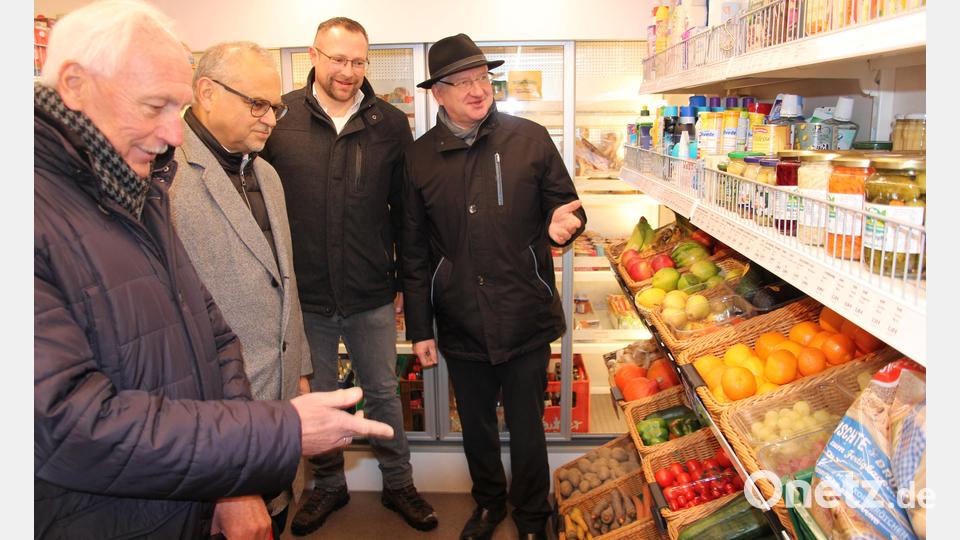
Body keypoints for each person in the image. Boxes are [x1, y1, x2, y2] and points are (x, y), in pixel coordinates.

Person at [34, 2, 392, 539]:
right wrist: (253, 458)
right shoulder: (110, 191)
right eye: (157, 105)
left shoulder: (147, 184)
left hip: (212, 452)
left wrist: (287, 381)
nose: (172, 134)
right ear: (75, 84)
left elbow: (217, 321)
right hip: (135, 491)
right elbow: (68, 422)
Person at [401, 34, 587, 540]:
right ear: (437, 94)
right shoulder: (418, 159)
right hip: (460, 316)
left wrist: (559, 228)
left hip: (523, 309)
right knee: (476, 425)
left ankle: (532, 516)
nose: (477, 90)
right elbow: (413, 252)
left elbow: (570, 208)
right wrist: (421, 327)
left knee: (528, 426)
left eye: (482, 78)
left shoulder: (529, 138)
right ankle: (488, 504)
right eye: (461, 83)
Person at [260, 16, 436, 535]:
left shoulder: (389, 122)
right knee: (317, 394)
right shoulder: (280, 117)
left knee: (382, 392)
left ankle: (399, 483)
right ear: (314, 54)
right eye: (338, 59)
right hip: (304, 293)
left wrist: (405, 282)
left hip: (370, 290)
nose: (348, 71)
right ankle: (328, 487)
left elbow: (405, 211)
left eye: (358, 61)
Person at [167, 41, 313, 538]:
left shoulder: (267, 174)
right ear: (206, 92)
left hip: (276, 406)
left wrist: (300, 369)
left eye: (275, 106)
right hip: (214, 420)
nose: (270, 118)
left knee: (275, 516)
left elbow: (285, 280)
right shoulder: (164, 177)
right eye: (257, 104)